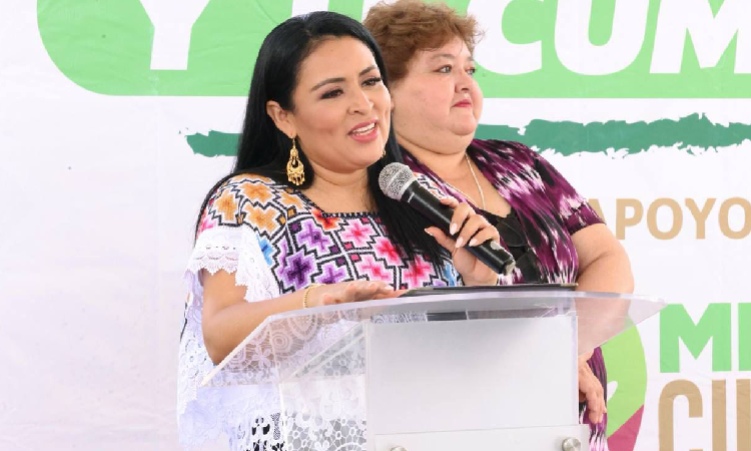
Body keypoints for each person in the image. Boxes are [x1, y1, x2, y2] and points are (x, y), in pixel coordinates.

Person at [177, 11, 502, 449]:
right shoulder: (250, 200)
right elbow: (220, 337)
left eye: (371, 82)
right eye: (333, 92)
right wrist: (317, 303)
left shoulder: (421, 200)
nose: (364, 104)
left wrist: (478, 284)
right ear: (283, 116)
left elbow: (463, 359)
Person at [364, 1, 635, 450]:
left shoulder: (519, 161)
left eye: (469, 69)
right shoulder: (386, 188)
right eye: (443, 69)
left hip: (570, 423)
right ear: (387, 90)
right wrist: (545, 358)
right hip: (459, 422)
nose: (465, 83)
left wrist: (567, 350)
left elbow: (607, 257)